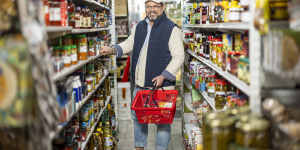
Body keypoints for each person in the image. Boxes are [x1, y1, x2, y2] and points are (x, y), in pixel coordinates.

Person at [100, 0, 184, 149]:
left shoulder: (172, 28)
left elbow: (179, 56)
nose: (152, 10)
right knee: (138, 118)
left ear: (162, 7)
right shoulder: (140, 26)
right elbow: (128, 43)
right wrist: (112, 49)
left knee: (163, 122)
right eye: (149, 6)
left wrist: (164, 75)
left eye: (155, 6)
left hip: (162, 87)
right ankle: (139, 147)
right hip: (140, 84)